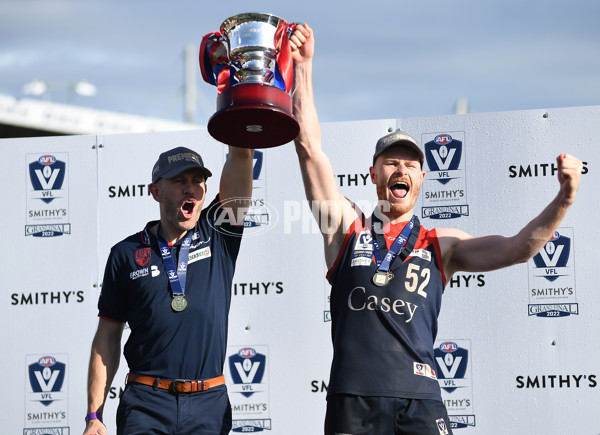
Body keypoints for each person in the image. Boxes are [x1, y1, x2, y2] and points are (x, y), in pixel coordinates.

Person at [289, 24, 583, 435]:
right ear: (373, 173)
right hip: (353, 400)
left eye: (410, 164)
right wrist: (303, 67)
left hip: (420, 401)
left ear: (423, 178)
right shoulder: (346, 225)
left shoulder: (442, 244)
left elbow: (519, 248)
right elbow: (309, 149)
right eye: (391, 162)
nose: (401, 169)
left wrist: (564, 199)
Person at [83, 145, 254, 435]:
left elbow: (240, 157)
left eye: (197, 182)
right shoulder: (126, 254)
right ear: (155, 191)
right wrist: (94, 414)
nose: (190, 190)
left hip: (208, 404)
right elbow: (107, 338)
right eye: (179, 181)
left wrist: (243, 125)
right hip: (145, 404)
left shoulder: (218, 233)